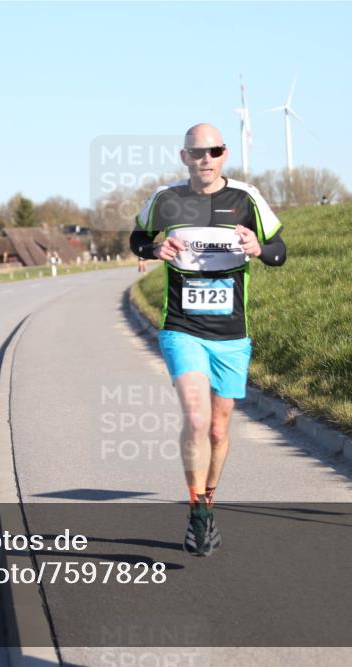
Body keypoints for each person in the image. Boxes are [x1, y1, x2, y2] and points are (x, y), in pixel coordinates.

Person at [129, 124, 286, 556]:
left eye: (214, 151)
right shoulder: (166, 199)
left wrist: (259, 248)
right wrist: (152, 250)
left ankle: (209, 501)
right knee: (197, 419)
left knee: (219, 429)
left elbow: (280, 251)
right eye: (197, 152)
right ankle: (197, 513)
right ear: (184, 157)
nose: (206, 158)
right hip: (182, 327)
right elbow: (138, 239)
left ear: (224, 153)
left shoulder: (246, 198)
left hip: (232, 335)